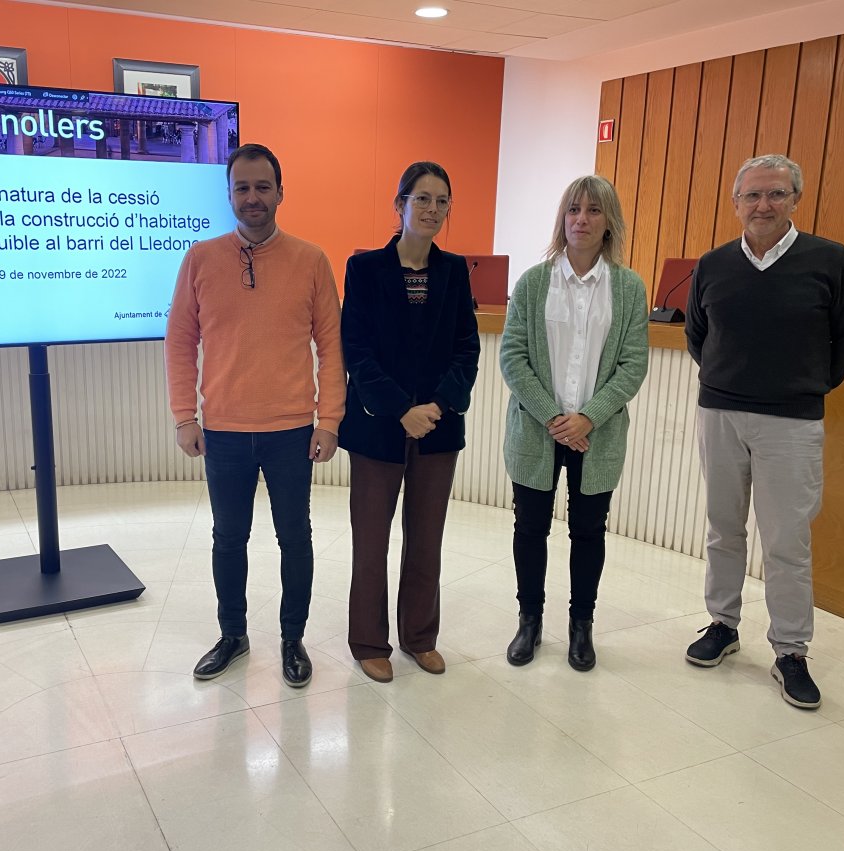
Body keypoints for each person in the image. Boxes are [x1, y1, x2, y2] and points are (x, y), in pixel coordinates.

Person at [684, 153, 844, 709]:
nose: (763, 205)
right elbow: (698, 335)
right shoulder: (713, 265)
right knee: (722, 528)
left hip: (792, 422)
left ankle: (790, 650)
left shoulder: (831, 261)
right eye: (752, 195)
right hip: (721, 413)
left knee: (787, 542)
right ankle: (722, 625)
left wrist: (801, 386)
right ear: (736, 203)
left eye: (776, 194)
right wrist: (730, 384)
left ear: (795, 200)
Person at [164, 143, 346, 688]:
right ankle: (233, 634)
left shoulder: (311, 260)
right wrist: (183, 415)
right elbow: (180, 341)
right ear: (229, 194)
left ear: (280, 193)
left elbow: (332, 345)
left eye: (262, 187)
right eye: (242, 187)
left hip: (292, 430)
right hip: (221, 431)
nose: (252, 197)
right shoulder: (200, 258)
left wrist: (330, 419)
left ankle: (293, 639)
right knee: (228, 539)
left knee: (296, 537)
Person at [338, 161, 480, 683]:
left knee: (427, 539)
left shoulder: (454, 271)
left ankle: (420, 636)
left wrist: (436, 407)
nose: (432, 210)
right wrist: (401, 408)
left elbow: (467, 349)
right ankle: (369, 640)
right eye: (422, 198)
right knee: (371, 540)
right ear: (399, 204)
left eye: (442, 201)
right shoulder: (366, 269)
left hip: (437, 430)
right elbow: (357, 350)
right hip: (378, 428)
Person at [500, 175, 647, 672]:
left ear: (609, 223)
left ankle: (581, 627)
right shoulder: (534, 282)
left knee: (589, 532)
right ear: (562, 219)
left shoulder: (627, 288)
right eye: (574, 210)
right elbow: (513, 357)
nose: (582, 219)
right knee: (530, 528)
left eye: (594, 211)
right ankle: (529, 621)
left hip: (596, 435)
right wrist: (554, 417)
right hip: (536, 431)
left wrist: (587, 418)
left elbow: (632, 365)